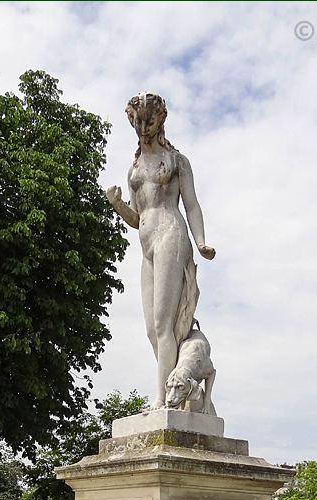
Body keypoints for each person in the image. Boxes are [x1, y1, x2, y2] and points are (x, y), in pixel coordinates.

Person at [106, 92, 216, 408]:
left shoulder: (177, 161)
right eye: (137, 122)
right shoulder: (134, 169)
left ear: (160, 119)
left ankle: (162, 400)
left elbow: (192, 204)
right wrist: (116, 205)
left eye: (149, 121)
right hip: (147, 244)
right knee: (153, 331)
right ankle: (186, 390)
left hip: (171, 233)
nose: (143, 128)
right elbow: (137, 218)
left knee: (163, 324)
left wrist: (200, 241)